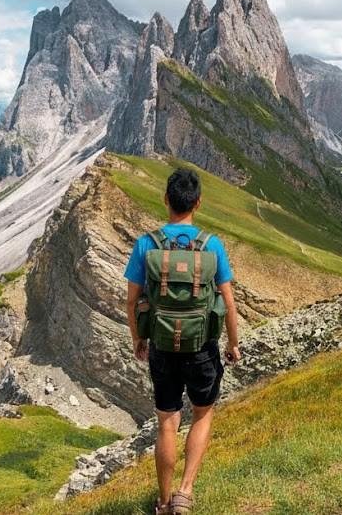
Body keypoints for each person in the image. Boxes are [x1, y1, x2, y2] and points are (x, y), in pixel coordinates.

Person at [124, 167, 241, 515]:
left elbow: (131, 301)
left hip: (161, 346)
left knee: (166, 422)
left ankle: (162, 501)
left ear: (166, 200)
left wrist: (138, 339)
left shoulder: (147, 244)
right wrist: (232, 344)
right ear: (198, 202)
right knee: (202, 415)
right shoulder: (212, 245)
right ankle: (185, 494)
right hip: (202, 348)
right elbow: (229, 302)